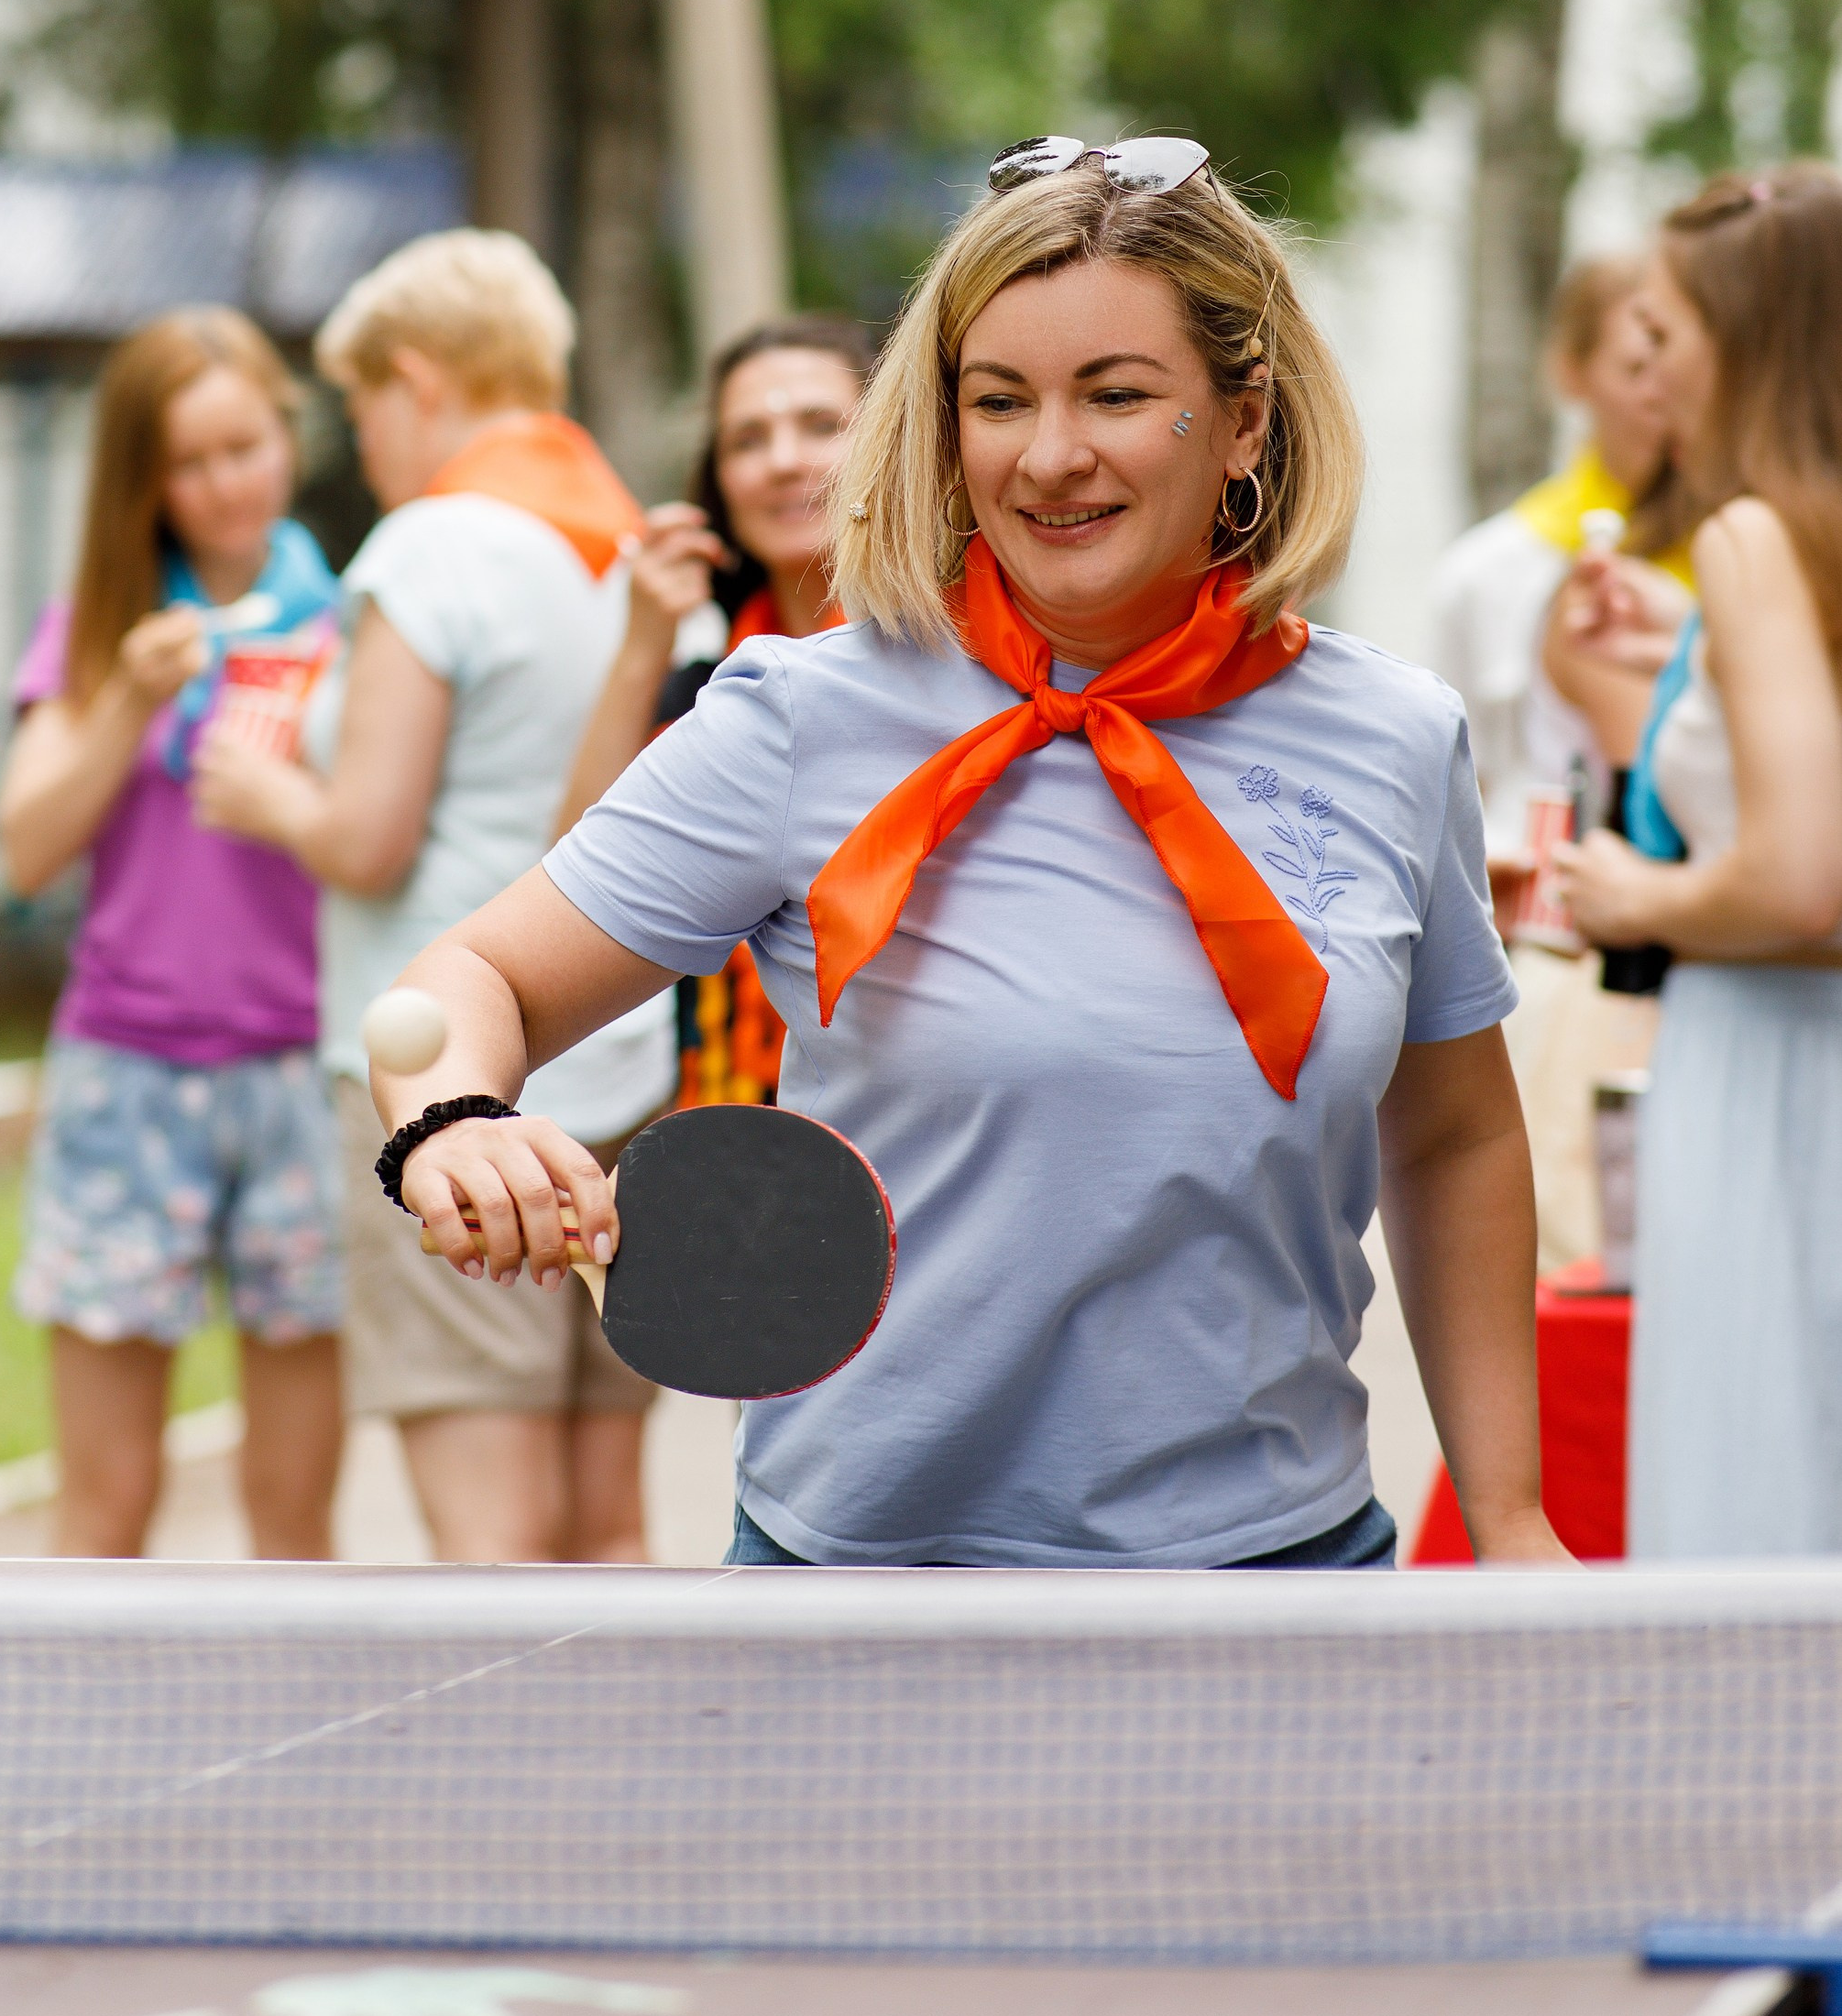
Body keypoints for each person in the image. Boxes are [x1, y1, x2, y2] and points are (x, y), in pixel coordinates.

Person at [364, 135, 1566, 1571]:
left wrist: (1507, 1520)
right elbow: (471, 974)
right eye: (998, 401)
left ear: (1244, 421)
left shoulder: (1392, 736)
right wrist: (455, 1122)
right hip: (860, 1584)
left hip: (1276, 1575)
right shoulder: (805, 715)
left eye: (1116, 395)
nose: (1049, 455)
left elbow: (1453, 1132)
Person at [192, 228, 676, 1565]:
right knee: (607, 1520)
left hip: (446, 1084)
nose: (365, 435)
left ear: (414, 378)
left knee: (488, 1540)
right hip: (625, 1055)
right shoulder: (628, 542)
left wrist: (262, 790)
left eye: (359, 404)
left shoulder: (428, 548)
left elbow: (370, 838)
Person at [0, 308, 345, 1560]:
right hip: (125, 1075)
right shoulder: (98, 626)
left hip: (306, 1074)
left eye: (243, 447)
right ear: (141, 480)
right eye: (187, 465)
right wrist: (128, 700)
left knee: (294, 1510)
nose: (221, 486)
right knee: (107, 1504)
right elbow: (28, 846)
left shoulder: (356, 622)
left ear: (285, 434)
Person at [1554, 165, 1842, 1559]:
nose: (1643, 377)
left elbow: (1802, 877)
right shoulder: (1778, 555)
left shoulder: (1750, 537)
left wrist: (1634, 896)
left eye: (1663, 339)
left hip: (1776, 1074)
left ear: (1757, 345)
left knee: (1762, 1485)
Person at [556, 315, 877, 1105]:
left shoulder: (956, 663)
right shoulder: (707, 693)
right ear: (717, 487)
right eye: (746, 440)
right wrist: (642, 647)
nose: (781, 462)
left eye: (819, 426)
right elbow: (580, 881)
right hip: (728, 1131)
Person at [1429, 254, 1690, 897]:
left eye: (1676, 361)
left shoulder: (1755, 550)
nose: (1662, 391)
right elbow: (1457, 782)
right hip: (1541, 918)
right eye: (1635, 367)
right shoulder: (1486, 571)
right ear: (1570, 373)